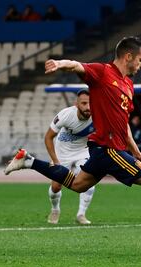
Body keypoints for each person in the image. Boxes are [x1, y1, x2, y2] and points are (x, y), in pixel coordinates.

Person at [4, 36, 141, 250]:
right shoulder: (103, 73)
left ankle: (28, 161)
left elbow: (123, 125)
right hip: (108, 149)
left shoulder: (129, 85)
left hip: (105, 150)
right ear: (128, 56)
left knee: (78, 185)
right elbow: (77, 66)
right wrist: (60, 64)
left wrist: (136, 151)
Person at [45, 89, 95, 225]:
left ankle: (81, 214)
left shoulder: (98, 116)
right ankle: (55, 209)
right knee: (56, 187)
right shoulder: (66, 115)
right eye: (84, 103)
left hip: (82, 152)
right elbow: (48, 137)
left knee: (89, 180)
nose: (88, 107)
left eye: (90, 103)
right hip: (62, 154)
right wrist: (55, 161)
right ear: (76, 104)